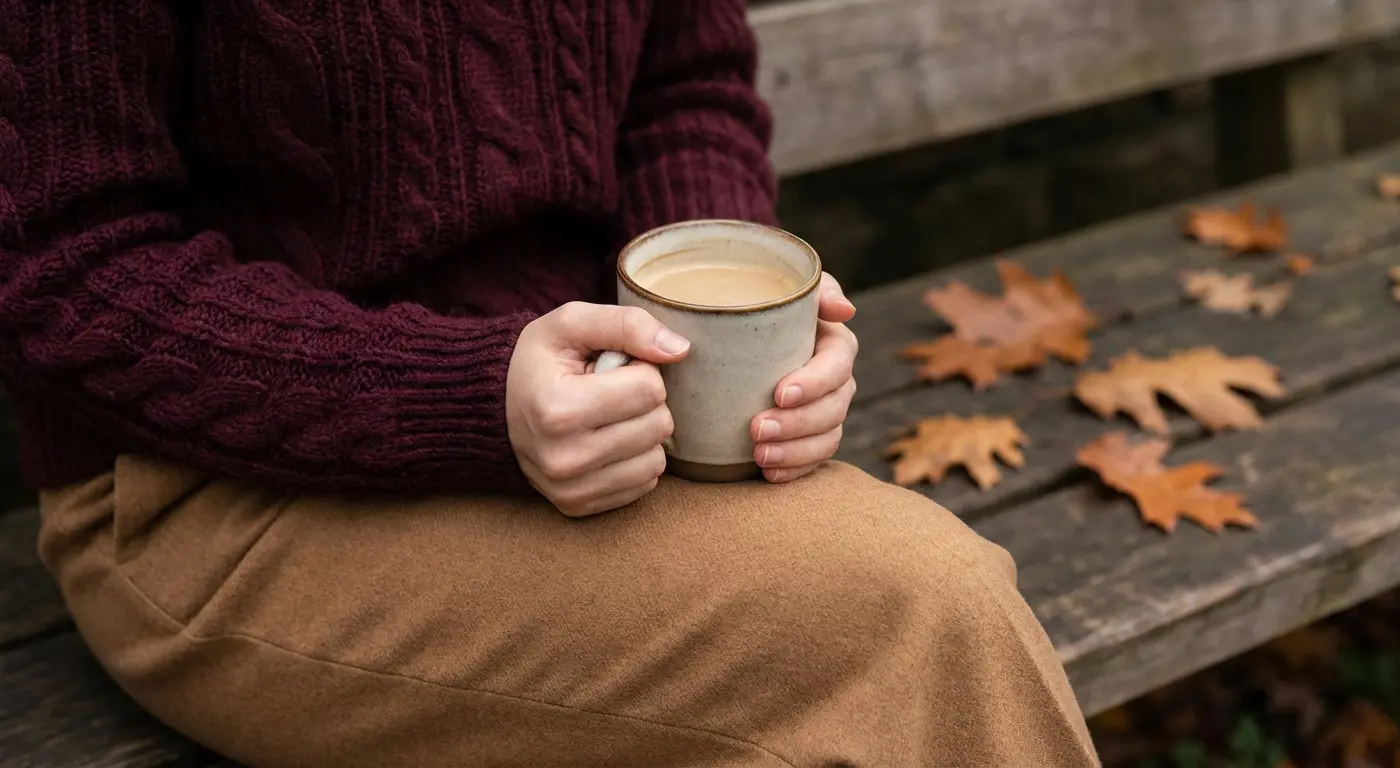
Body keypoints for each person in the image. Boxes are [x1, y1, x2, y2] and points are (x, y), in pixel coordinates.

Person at [0, 1, 1100, 765]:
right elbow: (60, 268)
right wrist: (468, 394)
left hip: (597, 415)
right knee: (920, 620)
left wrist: (727, 328)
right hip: (210, 494)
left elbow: (683, 87)